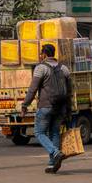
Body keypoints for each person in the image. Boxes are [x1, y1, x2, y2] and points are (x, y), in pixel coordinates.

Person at [22, 42, 72, 173]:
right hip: (61, 106)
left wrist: (25, 104)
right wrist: (68, 109)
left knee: (39, 132)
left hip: (46, 105)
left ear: (44, 54)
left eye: (40, 53)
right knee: (54, 132)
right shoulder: (64, 69)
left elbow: (33, 89)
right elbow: (70, 92)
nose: (40, 55)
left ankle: (55, 152)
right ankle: (51, 164)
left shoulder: (41, 68)